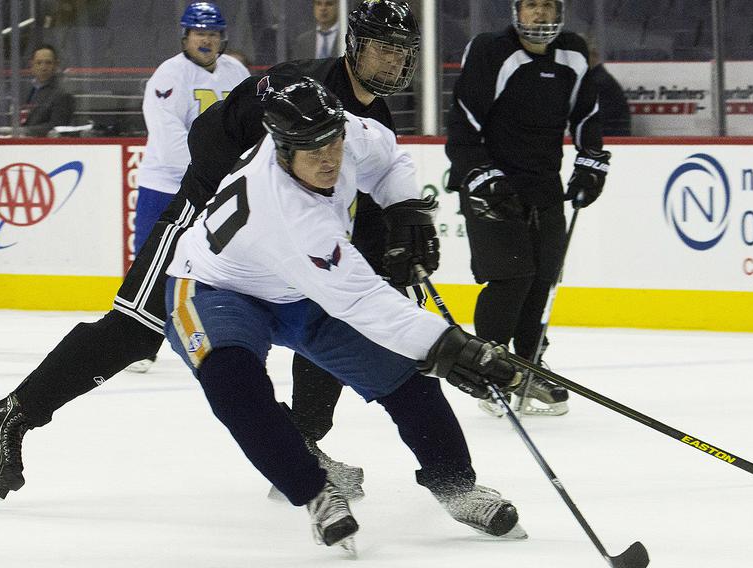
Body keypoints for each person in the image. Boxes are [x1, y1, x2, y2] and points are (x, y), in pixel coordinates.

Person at [0, 0, 419, 503]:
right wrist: (227, 201)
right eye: (382, 48)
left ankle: (300, 445)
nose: (392, 61)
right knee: (135, 330)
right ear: (355, 45)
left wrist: (395, 247)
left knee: (330, 321)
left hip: (272, 247)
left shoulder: (379, 119)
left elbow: (360, 203)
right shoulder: (297, 82)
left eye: (401, 52)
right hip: (203, 222)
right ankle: (7, 416)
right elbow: (209, 132)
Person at [165, 76, 526, 551]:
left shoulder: (346, 132)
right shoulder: (288, 212)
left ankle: (455, 485)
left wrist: (405, 209)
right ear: (281, 150)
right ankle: (316, 493)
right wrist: (453, 347)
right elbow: (361, 301)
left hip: (296, 289)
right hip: (215, 289)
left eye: (333, 142)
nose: (330, 158)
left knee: (402, 374)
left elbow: (391, 157)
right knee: (233, 383)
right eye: (312, 150)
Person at [445, 0, 611, 416]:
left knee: (542, 278)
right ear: (517, 11)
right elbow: (464, 121)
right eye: (531, 5)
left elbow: (587, 115)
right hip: (490, 184)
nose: (539, 15)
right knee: (511, 276)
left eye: (547, 6)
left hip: (543, 185)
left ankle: (530, 364)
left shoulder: (573, 52)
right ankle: (490, 369)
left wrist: (591, 164)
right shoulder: (491, 51)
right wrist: (480, 175)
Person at [127, 1, 249, 373]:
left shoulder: (236, 72)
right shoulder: (169, 75)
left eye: (213, 34)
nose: (207, 40)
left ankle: (224, 331)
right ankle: (138, 342)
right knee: (152, 263)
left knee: (221, 262)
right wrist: (215, 174)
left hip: (220, 186)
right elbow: (168, 137)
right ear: (186, 36)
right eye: (200, 33)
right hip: (166, 186)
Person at [18, 44, 75, 137]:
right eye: (39, 63)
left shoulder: (63, 95)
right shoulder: (25, 90)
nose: (43, 67)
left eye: (48, 63)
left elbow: (56, 127)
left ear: (56, 65)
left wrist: (24, 131)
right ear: (31, 65)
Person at [586, 36, 631, 137]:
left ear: (593, 56)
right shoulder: (598, 77)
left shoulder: (598, 81)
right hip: (611, 135)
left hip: (611, 138)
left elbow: (595, 118)